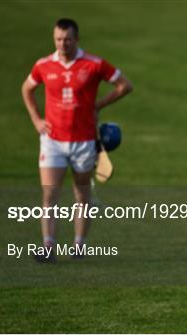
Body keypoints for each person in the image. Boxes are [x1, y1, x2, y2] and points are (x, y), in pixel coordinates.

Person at [21, 18, 133, 263]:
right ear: (54, 39)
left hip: (83, 142)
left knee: (81, 195)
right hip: (52, 141)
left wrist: (98, 106)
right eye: (59, 39)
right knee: (50, 195)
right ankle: (48, 246)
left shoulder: (93, 64)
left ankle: (79, 245)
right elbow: (27, 89)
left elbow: (125, 86)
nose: (63, 44)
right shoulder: (43, 65)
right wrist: (36, 121)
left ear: (77, 39)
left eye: (68, 39)